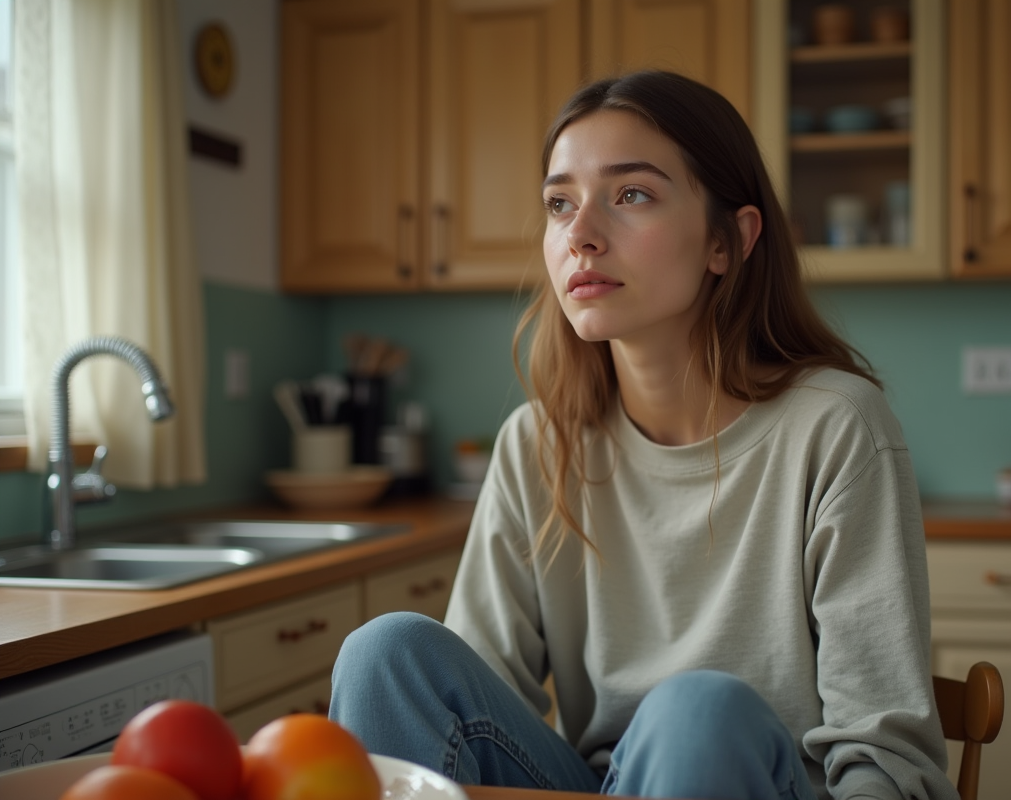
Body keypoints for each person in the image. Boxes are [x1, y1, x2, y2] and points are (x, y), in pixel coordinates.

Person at [329, 70, 956, 800]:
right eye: (559, 204)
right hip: (593, 785)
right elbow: (471, 712)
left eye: (631, 195)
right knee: (384, 653)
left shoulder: (837, 428)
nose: (580, 235)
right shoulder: (538, 443)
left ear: (728, 240)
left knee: (698, 711)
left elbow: (883, 760)